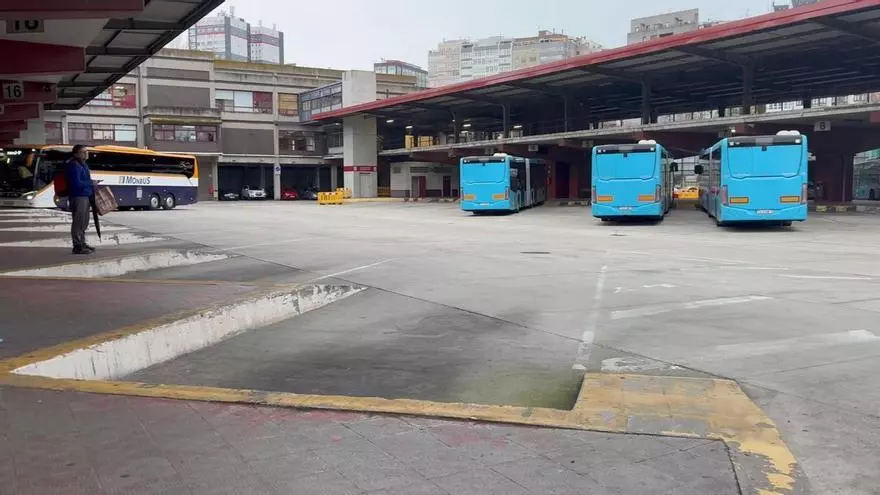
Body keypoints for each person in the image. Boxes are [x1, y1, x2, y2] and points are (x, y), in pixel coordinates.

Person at [66, 144, 94, 254]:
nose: (87, 153)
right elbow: (76, 183)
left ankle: (82, 243)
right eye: (84, 152)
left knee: (84, 222)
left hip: (85, 196)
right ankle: (77, 246)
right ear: (77, 153)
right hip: (78, 196)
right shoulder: (74, 165)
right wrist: (91, 183)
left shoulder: (83, 164)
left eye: (87, 151)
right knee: (78, 222)